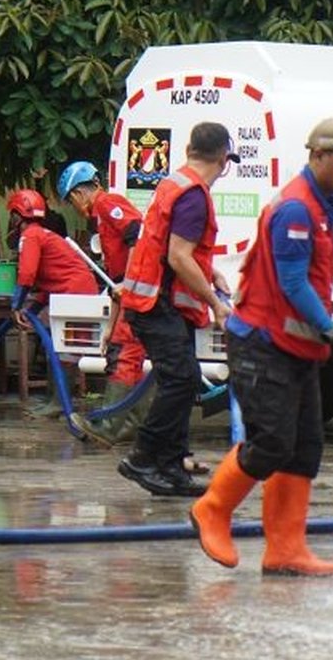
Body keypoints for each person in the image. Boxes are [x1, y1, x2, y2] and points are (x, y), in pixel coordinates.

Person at [189, 116, 333, 577]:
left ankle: (285, 550)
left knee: (304, 447)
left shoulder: (319, 205)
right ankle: (212, 509)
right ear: (319, 157)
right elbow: (294, 284)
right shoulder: (296, 210)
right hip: (262, 346)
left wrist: (325, 340)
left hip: (295, 347)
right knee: (272, 442)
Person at [116, 122, 237, 498]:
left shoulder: (174, 183)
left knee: (183, 381)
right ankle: (143, 458)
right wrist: (216, 303)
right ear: (223, 158)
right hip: (157, 303)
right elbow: (179, 256)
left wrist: (210, 271)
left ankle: (171, 467)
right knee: (181, 380)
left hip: (155, 300)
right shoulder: (194, 196)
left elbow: (176, 250)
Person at [56, 160, 151, 447]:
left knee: (123, 356)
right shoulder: (102, 218)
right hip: (130, 294)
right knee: (123, 353)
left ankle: (111, 425)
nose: (76, 208)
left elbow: (137, 233)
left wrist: (130, 283)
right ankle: (131, 426)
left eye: (72, 201)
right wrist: (109, 326)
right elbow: (116, 284)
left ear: (78, 194)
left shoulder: (108, 203)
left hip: (139, 292)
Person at [7, 188, 99, 415]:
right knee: (59, 348)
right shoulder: (42, 234)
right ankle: (54, 402)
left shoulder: (30, 236)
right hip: (75, 291)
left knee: (64, 350)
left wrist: (17, 305)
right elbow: (52, 278)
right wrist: (33, 307)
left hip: (74, 294)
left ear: (17, 216)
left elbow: (27, 274)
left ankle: (57, 405)